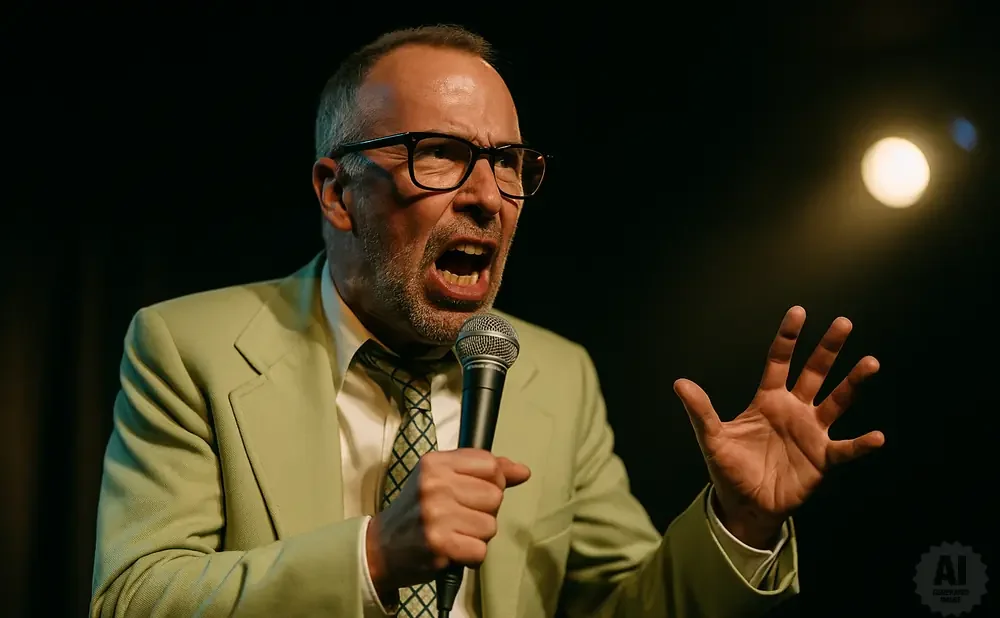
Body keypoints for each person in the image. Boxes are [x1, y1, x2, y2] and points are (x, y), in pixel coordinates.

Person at [90, 24, 885, 618]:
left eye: (509, 162)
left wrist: (738, 522)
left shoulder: (556, 373)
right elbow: (133, 597)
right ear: (338, 191)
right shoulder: (189, 346)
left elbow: (628, 606)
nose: (486, 196)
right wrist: (373, 555)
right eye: (439, 153)